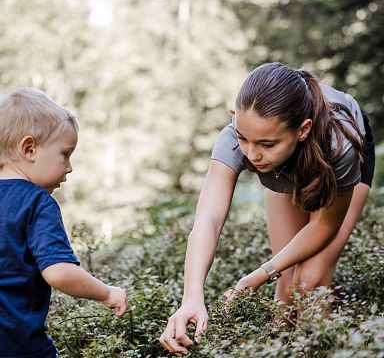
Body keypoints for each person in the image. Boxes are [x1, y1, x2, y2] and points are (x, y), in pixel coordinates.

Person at [159, 62, 375, 354]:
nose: (251, 154)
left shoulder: (340, 144)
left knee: (309, 281)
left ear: (303, 130)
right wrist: (192, 296)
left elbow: (324, 225)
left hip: (332, 162)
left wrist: (258, 275)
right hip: (283, 169)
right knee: (285, 286)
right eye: (243, 137)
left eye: (266, 143)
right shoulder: (240, 141)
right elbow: (208, 220)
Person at [0, 88, 128, 358]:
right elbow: (59, 272)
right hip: (20, 348)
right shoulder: (36, 203)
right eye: (65, 154)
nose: (69, 168)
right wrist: (106, 293)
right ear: (29, 149)